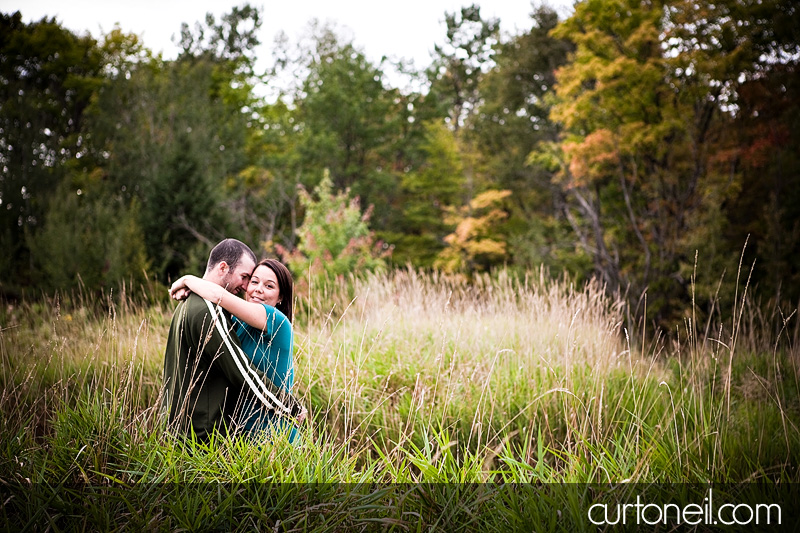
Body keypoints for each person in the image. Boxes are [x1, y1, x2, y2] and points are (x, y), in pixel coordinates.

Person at [161, 239, 305, 442]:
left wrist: (187, 280)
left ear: (281, 296)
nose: (254, 288)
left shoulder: (276, 320)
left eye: (269, 286)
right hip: (242, 438)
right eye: (252, 281)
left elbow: (217, 294)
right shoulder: (235, 320)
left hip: (274, 435)